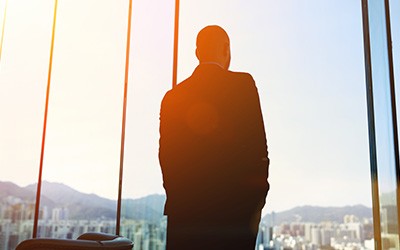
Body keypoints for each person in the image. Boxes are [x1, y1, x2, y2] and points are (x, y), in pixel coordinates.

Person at [159, 25, 270, 250]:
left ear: (197, 53)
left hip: (186, 217)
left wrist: (180, 199)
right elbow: (259, 150)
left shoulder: (172, 98)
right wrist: (254, 204)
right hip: (235, 218)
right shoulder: (243, 85)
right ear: (226, 49)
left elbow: (166, 158)